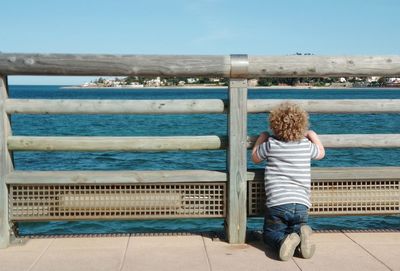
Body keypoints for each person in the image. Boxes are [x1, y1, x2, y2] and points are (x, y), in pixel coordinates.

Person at [252, 102, 325, 261]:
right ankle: (300, 237)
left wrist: (261, 138)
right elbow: (320, 153)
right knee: (294, 229)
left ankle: (283, 241)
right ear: (302, 126)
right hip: (301, 203)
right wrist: (312, 135)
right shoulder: (305, 145)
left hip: (278, 202)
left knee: (270, 234)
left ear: (274, 125)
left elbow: (255, 157)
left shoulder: (271, 144)